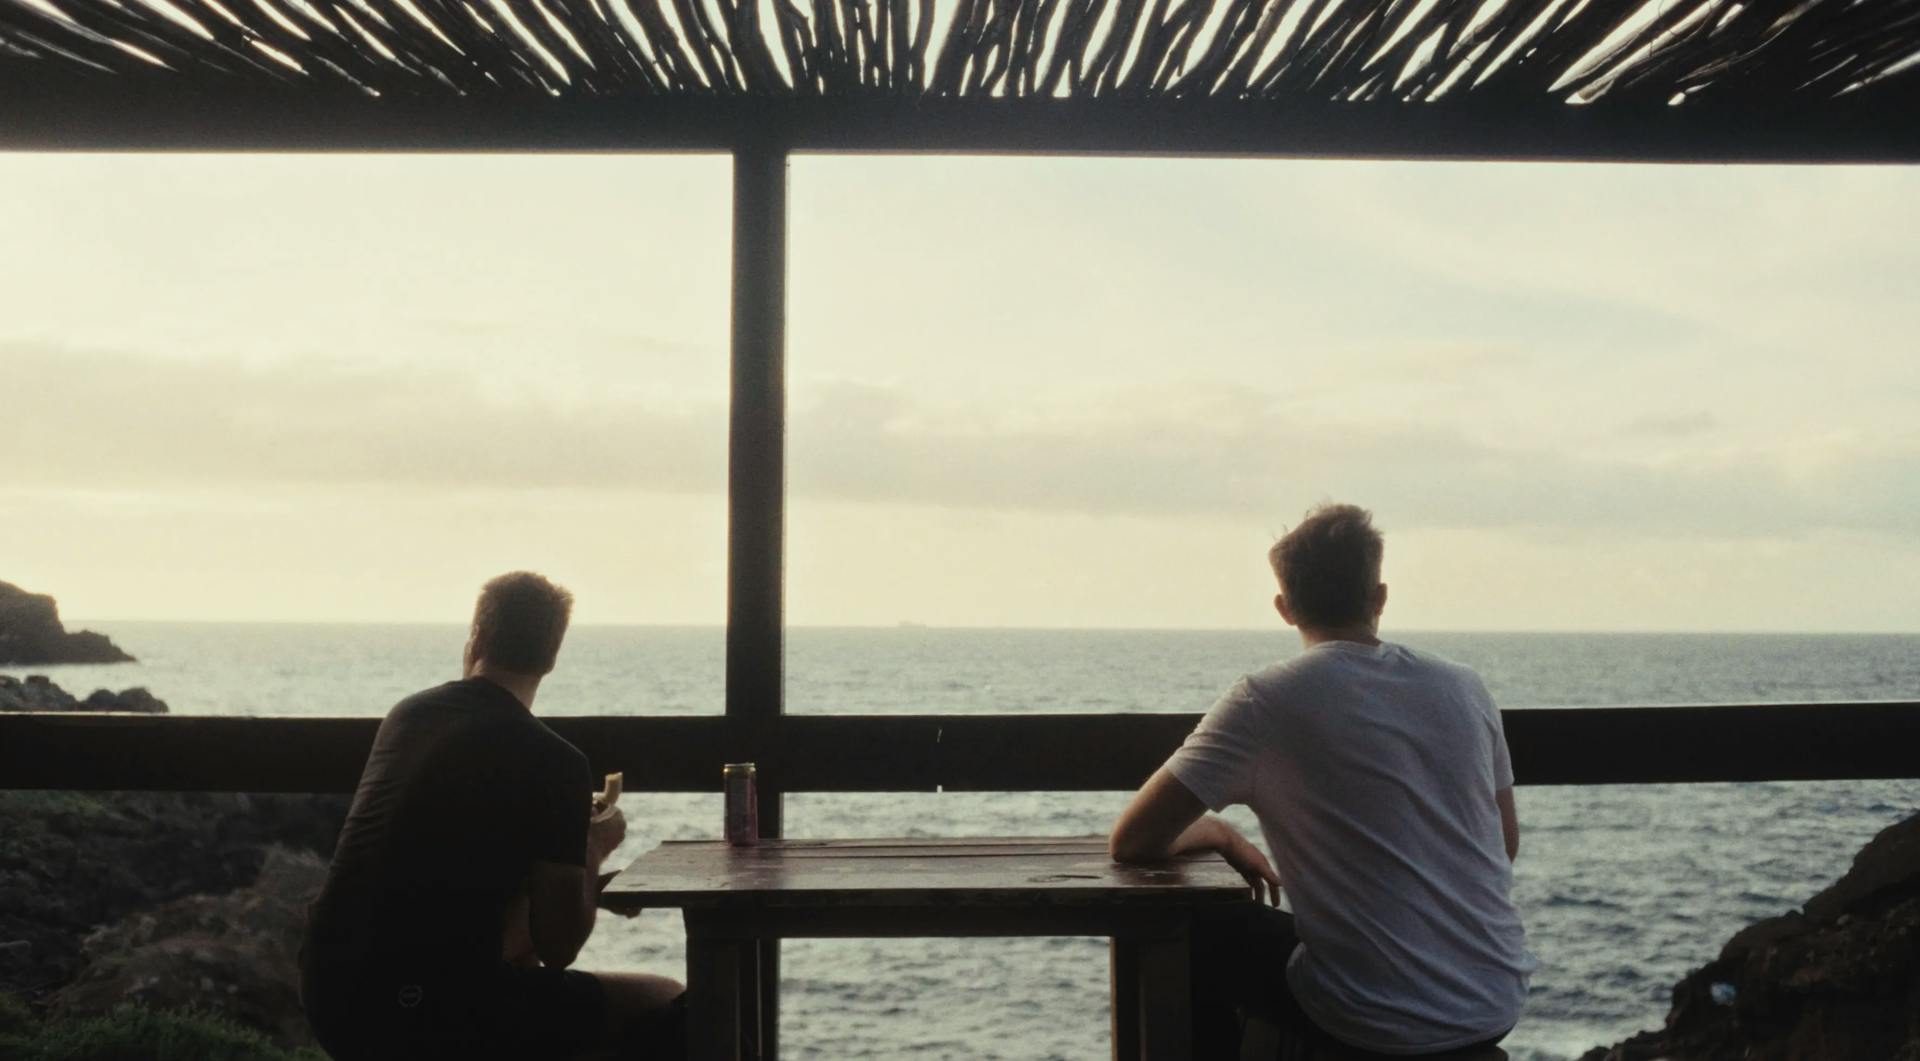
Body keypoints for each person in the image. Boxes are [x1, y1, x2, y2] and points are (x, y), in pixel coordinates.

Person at [1109, 504, 1534, 1056]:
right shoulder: (1464, 688)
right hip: (1492, 1000)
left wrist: (1218, 833)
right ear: (1379, 596)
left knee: (1197, 928)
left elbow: (1133, 841)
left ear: (1285, 608)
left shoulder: (1263, 701)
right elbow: (1504, 843)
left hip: (1372, 1019)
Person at [301, 572, 686, 1060]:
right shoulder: (556, 762)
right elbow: (560, 947)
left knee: (514, 968)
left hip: (330, 991)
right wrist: (591, 844)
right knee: (670, 999)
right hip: (429, 1010)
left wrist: (589, 885)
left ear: (477, 637)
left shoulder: (407, 717)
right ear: (551, 657)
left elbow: (446, 891)